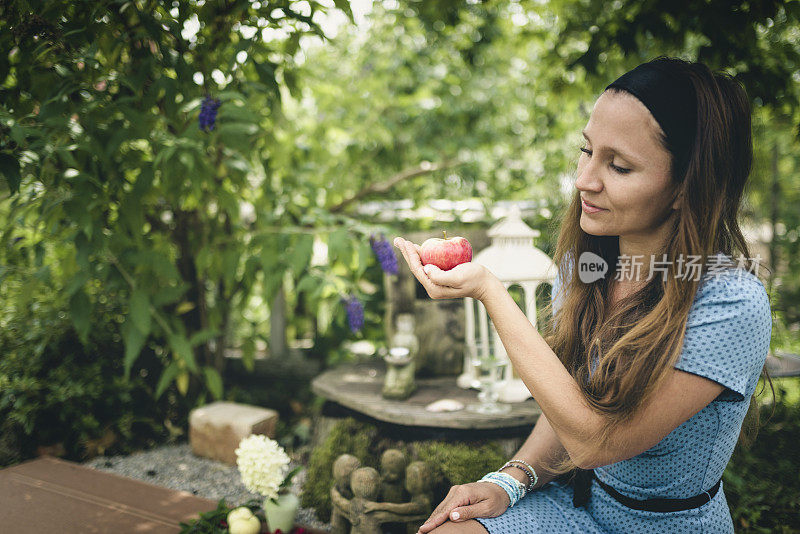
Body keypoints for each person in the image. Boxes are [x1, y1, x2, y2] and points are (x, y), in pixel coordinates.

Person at [393, 56, 774, 534]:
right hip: (577, 508)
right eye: (586, 150)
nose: (584, 180)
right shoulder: (585, 268)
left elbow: (598, 443)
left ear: (685, 187)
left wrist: (492, 293)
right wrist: (510, 481)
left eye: (618, 166)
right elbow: (571, 406)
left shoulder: (731, 303)